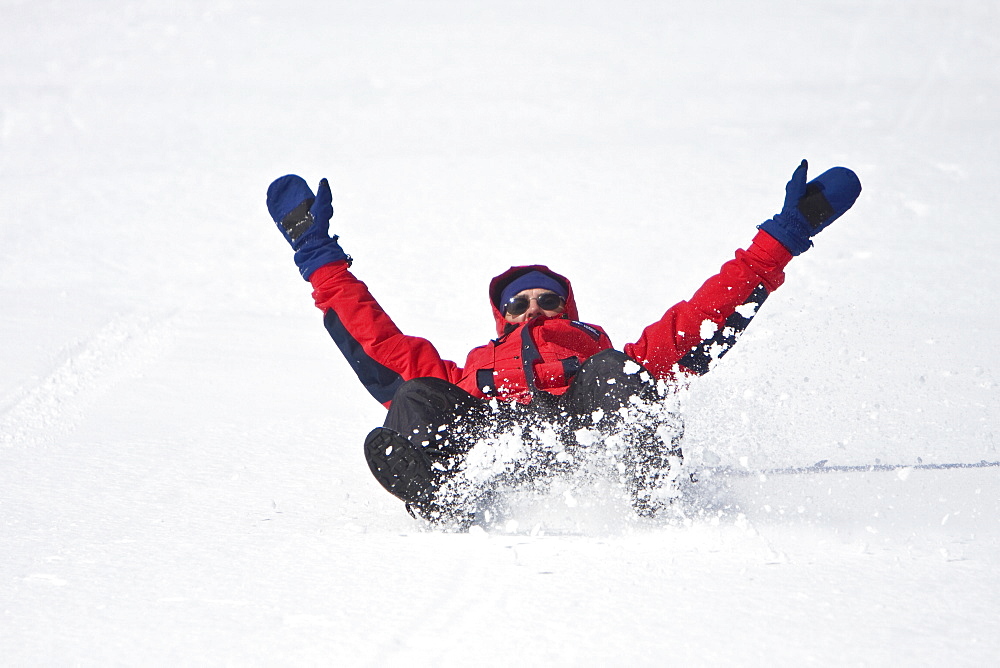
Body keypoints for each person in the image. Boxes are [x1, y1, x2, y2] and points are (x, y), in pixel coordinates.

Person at [266, 160, 861, 524]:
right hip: (497, 443)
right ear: (502, 317)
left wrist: (783, 236)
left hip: (589, 437)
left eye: (547, 300)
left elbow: (705, 312)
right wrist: (317, 256)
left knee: (621, 376)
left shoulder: (600, 354)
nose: (533, 309)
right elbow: (378, 341)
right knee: (415, 393)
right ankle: (440, 494)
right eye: (520, 303)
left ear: (566, 308)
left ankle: (653, 487)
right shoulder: (474, 369)